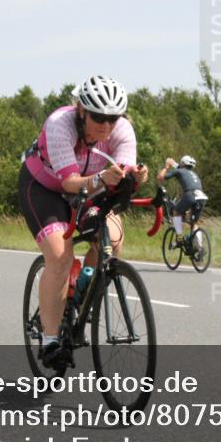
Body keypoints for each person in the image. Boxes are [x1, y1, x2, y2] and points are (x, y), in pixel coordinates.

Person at [18, 75, 148, 368]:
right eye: (98, 117)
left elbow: (121, 178)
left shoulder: (122, 130)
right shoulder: (59, 124)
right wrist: (103, 178)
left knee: (112, 240)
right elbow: (69, 184)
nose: (105, 126)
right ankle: (51, 341)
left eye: (112, 118)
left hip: (91, 187)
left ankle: (82, 290)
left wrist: (135, 179)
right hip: (45, 187)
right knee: (60, 257)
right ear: (81, 111)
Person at [157, 155, 208, 248]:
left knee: (176, 213)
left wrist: (167, 166)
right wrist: (173, 163)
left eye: (181, 162)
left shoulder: (179, 171)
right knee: (194, 223)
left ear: (183, 163)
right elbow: (179, 167)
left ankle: (179, 240)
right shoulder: (194, 174)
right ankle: (199, 248)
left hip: (190, 195)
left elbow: (160, 177)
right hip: (201, 196)